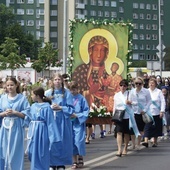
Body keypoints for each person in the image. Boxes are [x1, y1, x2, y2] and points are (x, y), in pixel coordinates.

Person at [72, 35, 110, 137]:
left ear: (106, 53)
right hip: (87, 105)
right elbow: (75, 92)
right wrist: (88, 92)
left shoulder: (108, 73)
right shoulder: (81, 70)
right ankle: (87, 136)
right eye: (96, 50)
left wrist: (107, 92)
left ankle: (101, 131)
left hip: (102, 105)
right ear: (90, 51)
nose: (98, 54)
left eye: (102, 51)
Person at [45, 73, 75, 170]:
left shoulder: (67, 93)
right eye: (55, 79)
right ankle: (52, 163)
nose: (57, 81)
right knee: (52, 141)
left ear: (62, 81)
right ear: (52, 81)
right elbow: (43, 106)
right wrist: (50, 107)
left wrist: (61, 107)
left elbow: (71, 108)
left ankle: (61, 163)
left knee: (62, 140)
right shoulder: (48, 93)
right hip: (51, 119)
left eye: (59, 79)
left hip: (62, 120)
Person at [0, 77, 30, 170]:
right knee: (4, 150)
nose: (10, 87)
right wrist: (4, 114)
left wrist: (16, 112)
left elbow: (27, 113)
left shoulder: (22, 98)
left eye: (12, 85)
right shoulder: (2, 98)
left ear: (16, 85)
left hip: (16, 127)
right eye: (8, 85)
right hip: (5, 128)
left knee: (15, 151)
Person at [68, 81, 89, 169]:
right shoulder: (67, 98)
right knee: (71, 141)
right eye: (71, 89)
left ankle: (80, 156)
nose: (73, 91)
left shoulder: (81, 98)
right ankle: (74, 161)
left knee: (79, 141)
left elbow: (86, 111)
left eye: (74, 89)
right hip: (69, 123)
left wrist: (77, 115)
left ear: (77, 89)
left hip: (78, 123)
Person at [142, 78, 165, 147]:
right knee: (147, 127)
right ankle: (146, 140)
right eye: (150, 83)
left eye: (153, 83)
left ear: (155, 84)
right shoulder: (146, 91)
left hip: (157, 112)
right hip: (148, 113)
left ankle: (155, 141)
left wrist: (162, 111)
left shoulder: (159, 92)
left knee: (156, 127)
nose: (151, 84)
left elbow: (162, 101)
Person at [130, 77, 152, 149]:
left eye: (139, 83)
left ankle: (138, 144)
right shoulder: (132, 92)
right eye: (136, 83)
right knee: (133, 129)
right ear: (134, 84)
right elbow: (129, 102)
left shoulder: (146, 91)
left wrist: (145, 109)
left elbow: (149, 101)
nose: (138, 85)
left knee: (140, 129)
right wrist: (133, 104)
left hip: (142, 113)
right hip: (133, 112)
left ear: (142, 84)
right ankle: (133, 144)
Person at [112, 79, 131, 156]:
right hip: (119, 116)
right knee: (119, 132)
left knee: (126, 133)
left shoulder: (129, 94)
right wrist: (113, 117)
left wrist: (130, 102)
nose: (123, 87)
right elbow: (115, 106)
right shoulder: (116, 95)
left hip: (127, 115)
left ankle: (125, 148)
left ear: (127, 87)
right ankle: (119, 149)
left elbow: (135, 103)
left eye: (124, 86)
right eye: (121, 85)